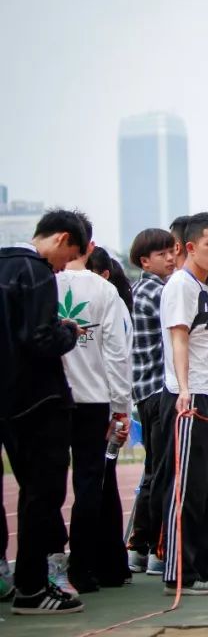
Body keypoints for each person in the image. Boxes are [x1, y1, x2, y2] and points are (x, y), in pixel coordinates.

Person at [0, 209, 88, 614]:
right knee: (42, 494)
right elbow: (39, 338)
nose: (62, 267)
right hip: (37, 401)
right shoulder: (34, 272)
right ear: (61, 239)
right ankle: (32, 589)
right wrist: (67, 332)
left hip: (7, 401)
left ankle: (12, 579)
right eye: (67, 257)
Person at [157, 212, 208, 596]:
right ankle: (180, 573)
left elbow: (202, 338)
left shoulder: (205, 288)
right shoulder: (180, 285)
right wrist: (185, 390)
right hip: (186, 399)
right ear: (189, 247)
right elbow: (179, 339)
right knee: (187, 489)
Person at [55, 223, 134, 595]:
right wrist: (121, 407)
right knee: (90, 486)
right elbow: (117, 354)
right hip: (93, 401)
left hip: (51, 401)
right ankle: (82, 571)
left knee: (45, 488)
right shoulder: (105, 291)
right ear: (90, 245)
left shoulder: (46, 285)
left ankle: (48, 567)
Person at [125, 228, 177, 576]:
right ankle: (158, 548)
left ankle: (140, 547)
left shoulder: (142, 289)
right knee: (163, 473)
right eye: (162, 254)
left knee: (153, 471)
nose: (171, 258)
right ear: (145, 261)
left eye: (172, 252)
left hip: (147, 393)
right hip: (159, 392)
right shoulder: (155, 293)